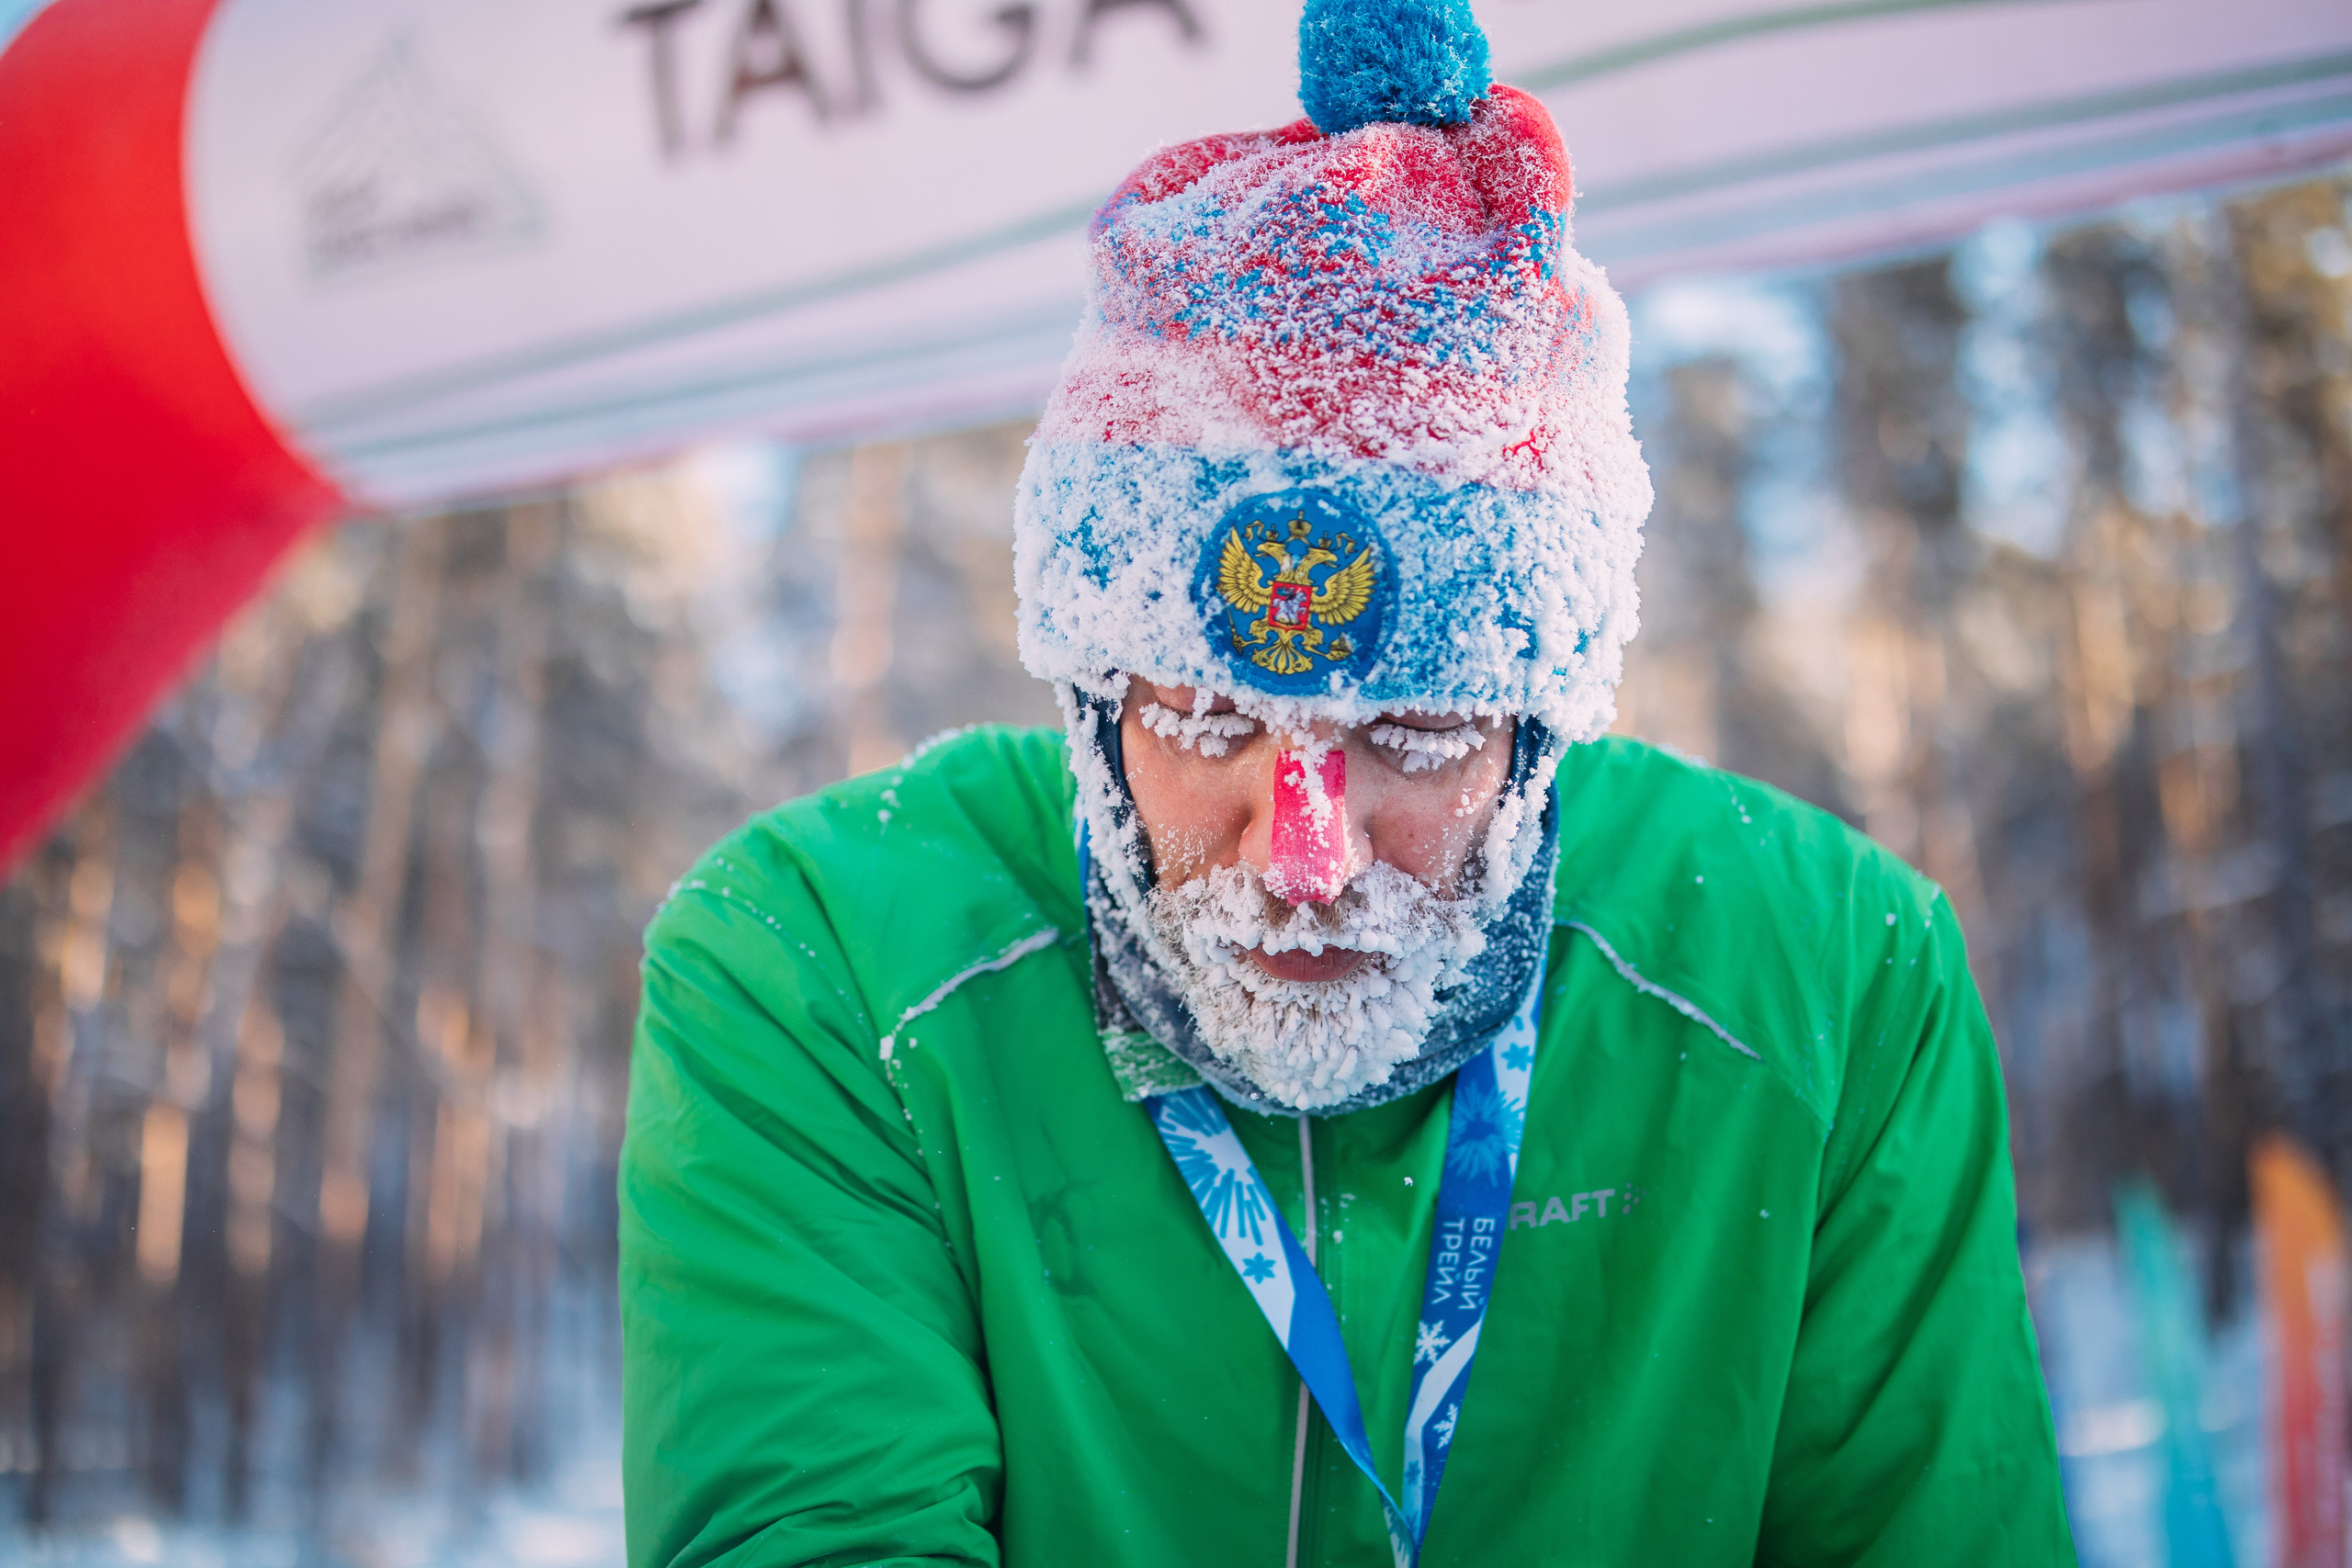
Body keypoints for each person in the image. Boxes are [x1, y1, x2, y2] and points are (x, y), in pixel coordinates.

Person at [617, 1, 2077, 1562]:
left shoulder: (1835, 978)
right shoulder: (818, 956)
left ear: (1545, 722)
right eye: (1203, 724)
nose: (1305, 853)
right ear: (1091, 705)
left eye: (1421, 737)